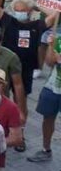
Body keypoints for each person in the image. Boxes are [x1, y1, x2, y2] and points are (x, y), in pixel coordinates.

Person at [28, 29, 60, 163]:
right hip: (53, 87)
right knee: (48, 118)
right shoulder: (59, 39)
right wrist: (51, 46)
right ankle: (46, 150)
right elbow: (49, 62)